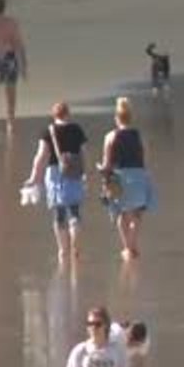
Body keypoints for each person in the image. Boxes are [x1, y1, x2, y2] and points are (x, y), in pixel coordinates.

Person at [23, 102, 88, 262]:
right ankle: (75, 246)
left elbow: (41, 156)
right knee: (74, 212)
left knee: (59, 214)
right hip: (74, 173)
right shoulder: (77, 130)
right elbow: (84, 153)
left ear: (54, 115)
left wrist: (33, 178)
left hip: (55, 174)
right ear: (68, 113)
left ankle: (62, 250)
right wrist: (86, 173)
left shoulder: (48, 132)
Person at [98, 98, 154, 260]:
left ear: (117, 118)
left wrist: (102, 171)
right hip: (138, 175)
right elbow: (145, 158)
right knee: (137, 214)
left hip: (119, 177)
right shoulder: (139, 135)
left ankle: (127, 248)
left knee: (121, 215)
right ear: (131, 117)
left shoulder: (110, 136)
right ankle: (133, 244)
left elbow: (106, 164)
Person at [0, 0, 29, 134]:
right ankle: (10, 121)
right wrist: (24, 66)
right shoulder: (11, 23)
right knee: (10, 92)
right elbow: (18, 45)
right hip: (8, 58)